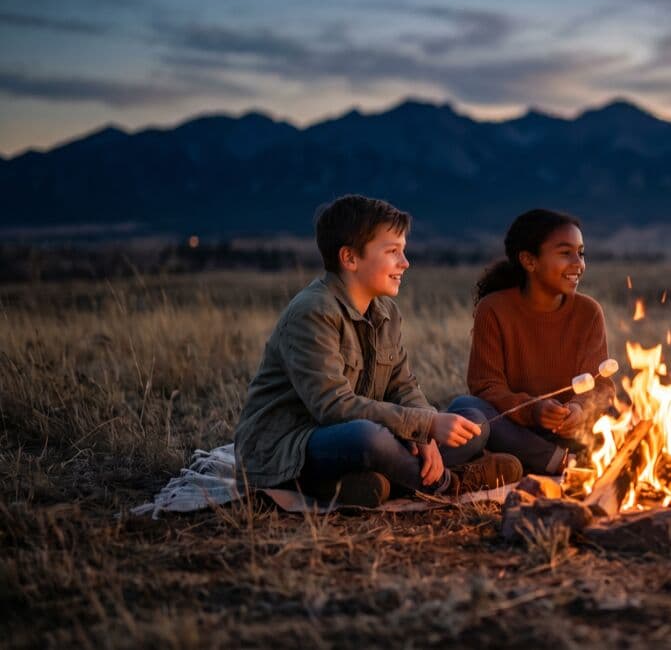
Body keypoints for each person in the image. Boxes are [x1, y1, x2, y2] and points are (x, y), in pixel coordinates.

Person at [235, 195, 519, 507]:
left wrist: (424, 431)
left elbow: (402, 385)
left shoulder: (386, 312)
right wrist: (424, 426)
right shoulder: (313, 312)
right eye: (392, 252)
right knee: (367, 439)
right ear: (350, 258)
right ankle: (451, 482)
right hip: (293, 446)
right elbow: (333, 409)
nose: (405, 263)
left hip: (356, 437)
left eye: (404, 251)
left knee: (472, 425)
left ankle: (362, 484)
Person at [465, 209, 615, 475]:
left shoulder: (588, 312)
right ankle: (557, 463)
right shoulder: (494, 310)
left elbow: (600, 384)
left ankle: (542, 462)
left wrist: (579, 409)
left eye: (580, 253)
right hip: (515, 429)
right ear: (529, 261)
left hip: (570, 433)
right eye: (565, 253)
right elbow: (486, 386)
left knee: (621, 418)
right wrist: (533, 410)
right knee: (469, 410)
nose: (578, 263)